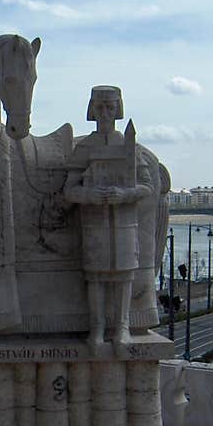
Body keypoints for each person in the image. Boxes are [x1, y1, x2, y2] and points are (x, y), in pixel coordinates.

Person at [63, 85, 153, 356]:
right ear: (92, 109)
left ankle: (122, 326)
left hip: (124, 222)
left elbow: (147, 185)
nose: (105, 113)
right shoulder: (85, 148)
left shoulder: (129, 146)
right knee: (97, 276)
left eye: (110, 107)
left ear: (118, 109)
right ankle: (98, 326)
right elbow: (69, 190)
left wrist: (124, 194)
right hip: (95, 222)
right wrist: (90, 195)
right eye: (100, 107)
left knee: (124, 274)